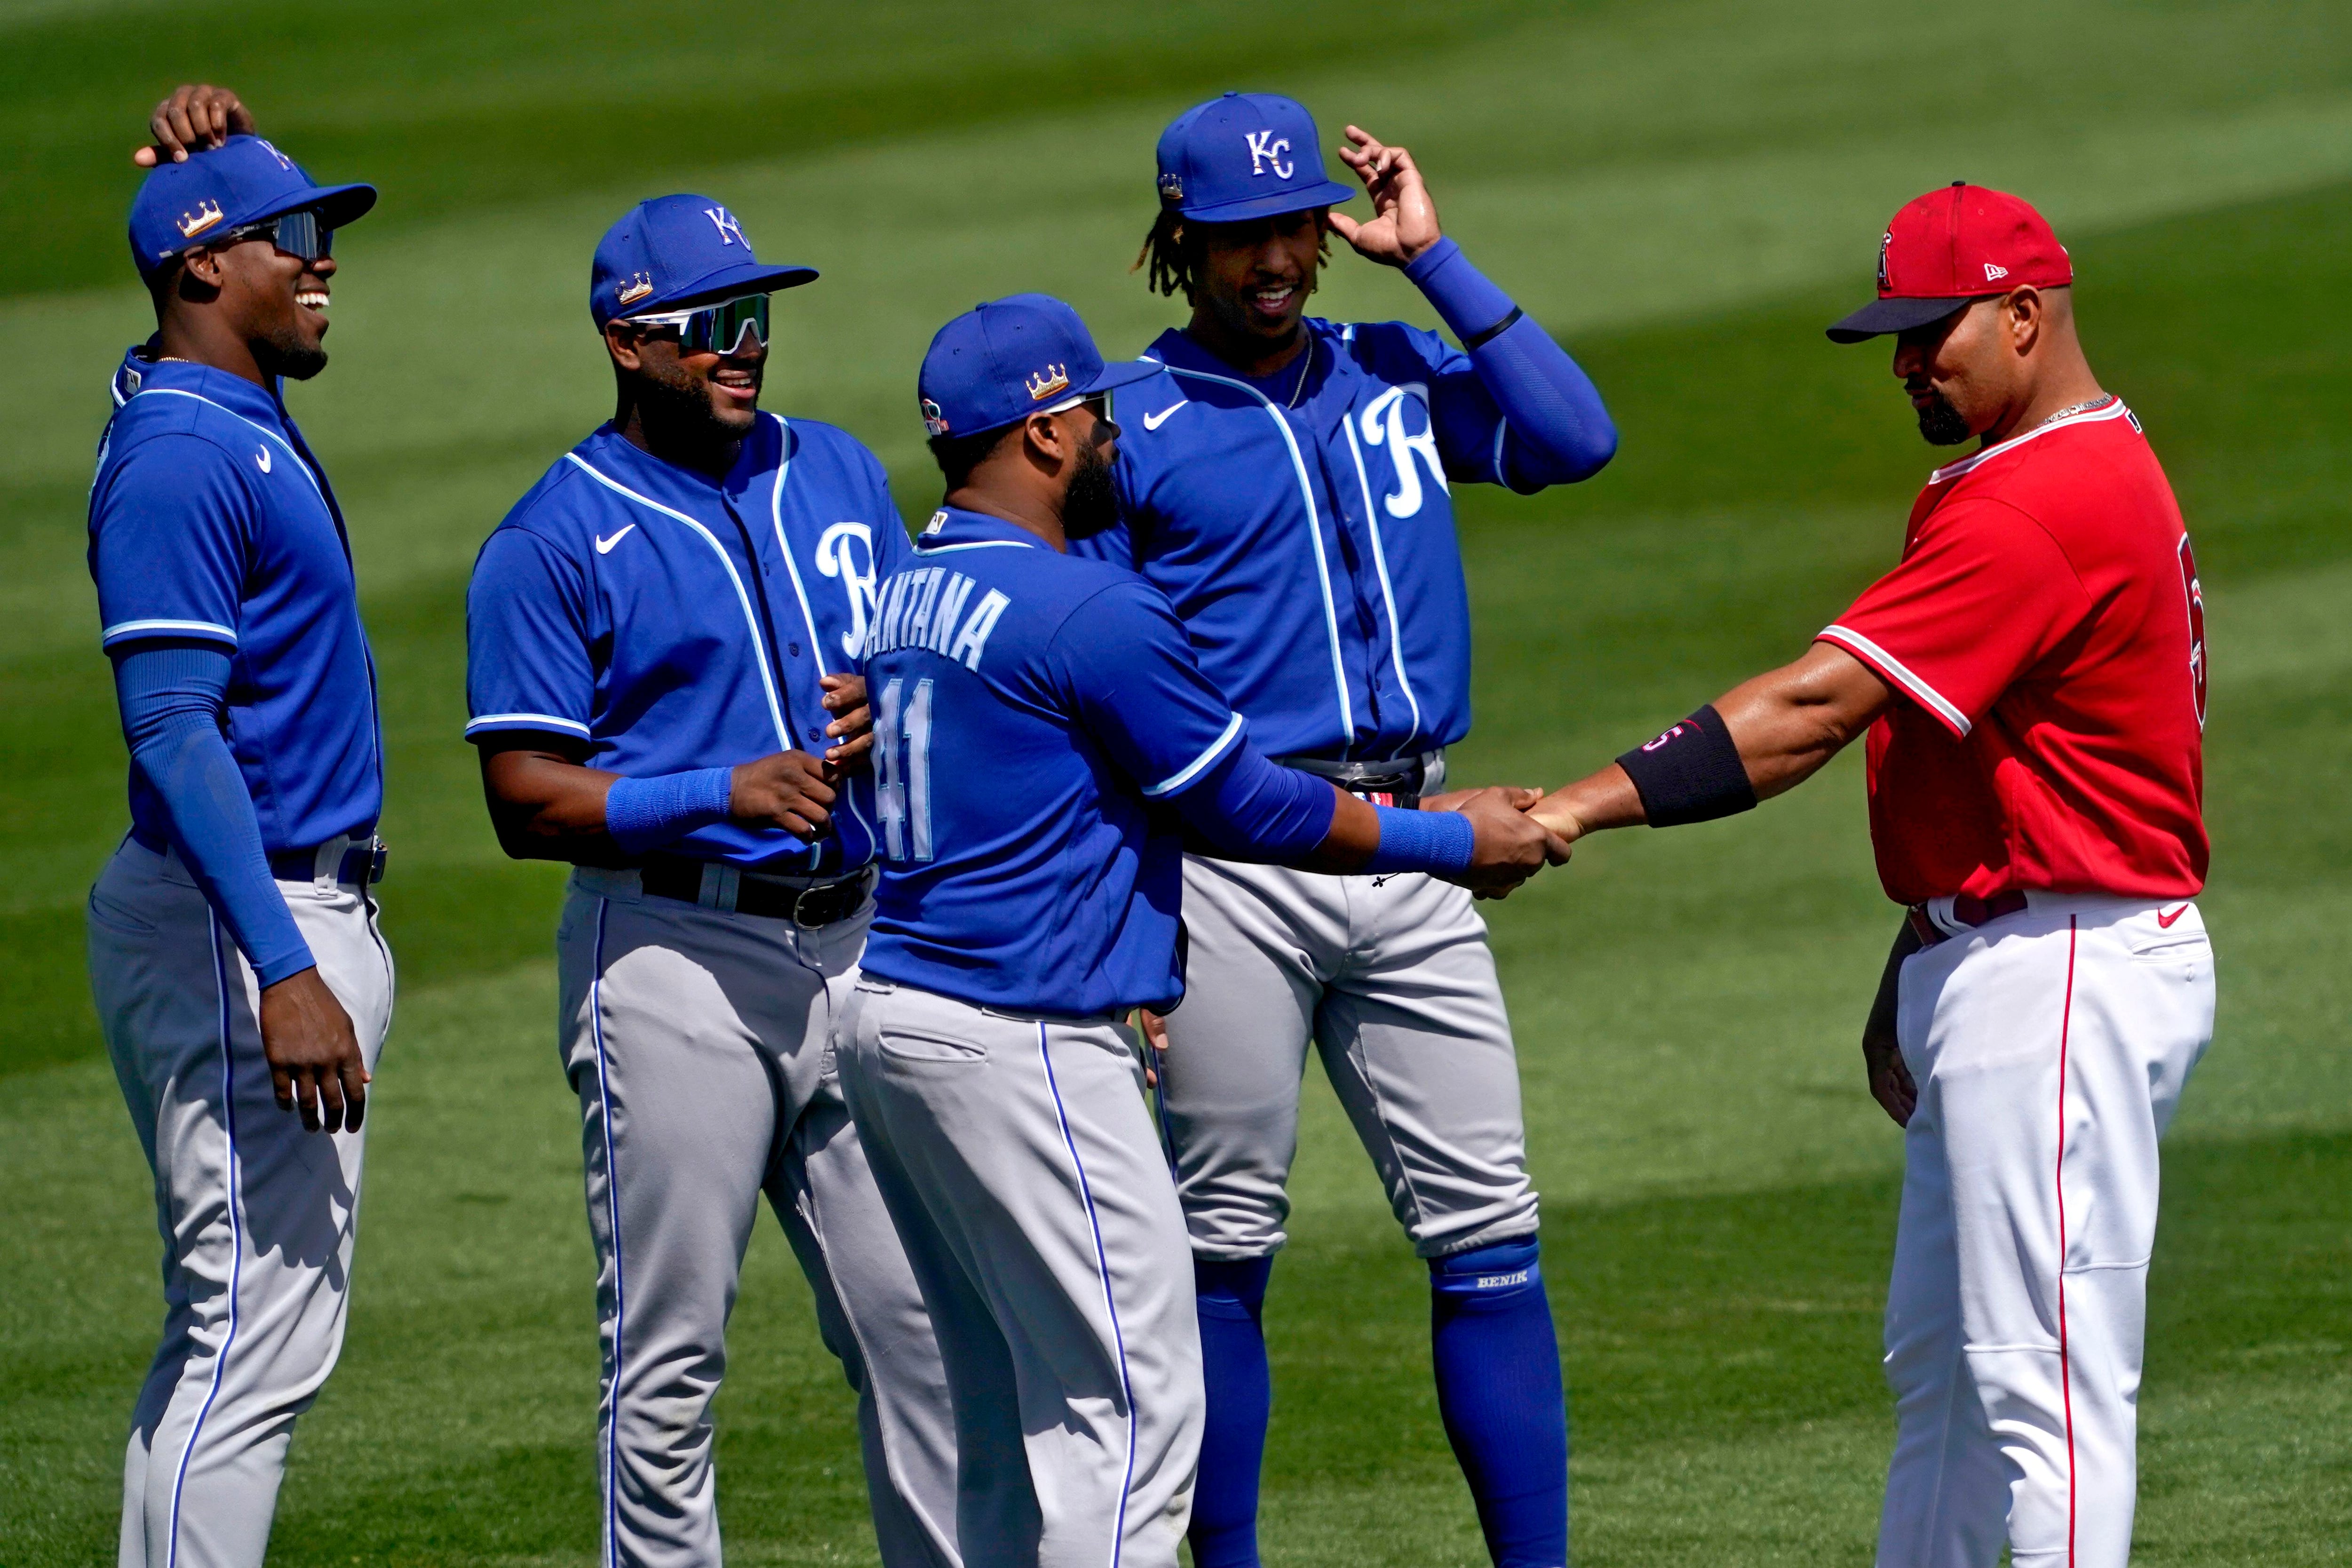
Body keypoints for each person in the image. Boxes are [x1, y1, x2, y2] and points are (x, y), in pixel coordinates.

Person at [1527, 183, 2214, 1568]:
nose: (1905, 363)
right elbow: (2016, 755)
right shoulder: (2054, 467)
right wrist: (1930, 942)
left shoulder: (2042, 502)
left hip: (2065, 966)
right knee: (1950, 1374)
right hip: (2014, 946)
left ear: (2023, 315)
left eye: (1928, 333)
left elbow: (1812, 711)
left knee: (2045, 1389)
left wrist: (1572, 809)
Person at [837, 294, 1569, 1568]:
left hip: (891, 1011)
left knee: (1004, 1406)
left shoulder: (907, 591)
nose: (1115, 431)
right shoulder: (1086, 613)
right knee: (1131, 1413)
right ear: (1048, 434)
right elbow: (1244, 800)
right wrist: (1451, 840)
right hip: (1022, 1031)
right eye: (1093, 412)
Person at [1070, 91, 1617, 1568]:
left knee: (1491, 1236)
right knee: (1225, 1247)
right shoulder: (1128, 425)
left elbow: (1578, 439)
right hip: (1233, 864)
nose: (1276, 262)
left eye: (1297, 227)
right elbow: (1094, 692)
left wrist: (1433, 260)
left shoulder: (1392, 369)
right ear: (1180, 240)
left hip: (1419, 830)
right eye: (1243, 236)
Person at [463, 196, 957, 1568]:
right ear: (630, 342)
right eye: (712, 324)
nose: (746, 346)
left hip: (859, 948)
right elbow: (521, 801)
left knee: (920, 1333)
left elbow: (928, 661)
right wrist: (719, 790)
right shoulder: (555, 538)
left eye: (760, 314)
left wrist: (894, 690)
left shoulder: (840, 469)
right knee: (670, 1365)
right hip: (674, 960)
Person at [87, 110, 389, 1567]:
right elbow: (171, 728)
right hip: (243, 918)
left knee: (228, 1343)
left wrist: (234, 152)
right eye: (295, 241)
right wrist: (283, 967)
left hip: (257, 913)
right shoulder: (181, 459)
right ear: (205, 266)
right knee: (252, 1345)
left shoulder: (207, 406)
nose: (326, 265)